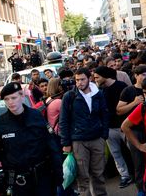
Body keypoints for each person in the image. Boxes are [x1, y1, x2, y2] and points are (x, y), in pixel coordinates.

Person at [0, 82, 63, 195]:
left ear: (22, 96)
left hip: (43, 179)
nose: (10, 102)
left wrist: (58, 174)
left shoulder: (36, 116)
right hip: (17, 182)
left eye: (13, 98)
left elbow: (51, 146)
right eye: (6, 99)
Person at [59, 68, 110, 196]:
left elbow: (105, 114)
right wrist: (66, 142)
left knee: (98, 173)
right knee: (82, 175)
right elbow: (63, 120)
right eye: (77, 80)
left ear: (89, 79)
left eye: (82, 79)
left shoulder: (98, 94)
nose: (79, 82)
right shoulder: (69, 96)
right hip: (78, 141)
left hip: (97, 138)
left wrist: (104, 135)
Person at [93, 66, 132, 188]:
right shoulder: (101, 91)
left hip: (125, 126)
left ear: (105, 76)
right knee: (116, 153)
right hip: (110, 128)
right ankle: (125, 176)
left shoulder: (121, 86)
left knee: (133, 151)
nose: (95, 80)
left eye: (97, 77)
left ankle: (139, 174)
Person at [116, 65, 146, 195]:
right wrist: (135, 103)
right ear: (136, 76)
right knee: (139, 162)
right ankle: (141, 189)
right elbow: (119, 110)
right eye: (143, 75)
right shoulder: (128, 91)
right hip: (134, 131)